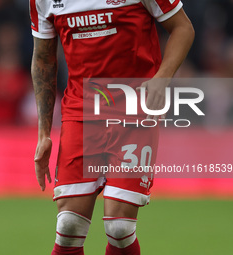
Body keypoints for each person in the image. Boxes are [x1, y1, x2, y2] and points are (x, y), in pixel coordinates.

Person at [30, 0, 194, 254]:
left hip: (133, 110)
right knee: (69, 226)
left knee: (120, 228)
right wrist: (43, 133)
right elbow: (43, 59)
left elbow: (183, 27)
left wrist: (162, 78)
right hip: (81, 112)